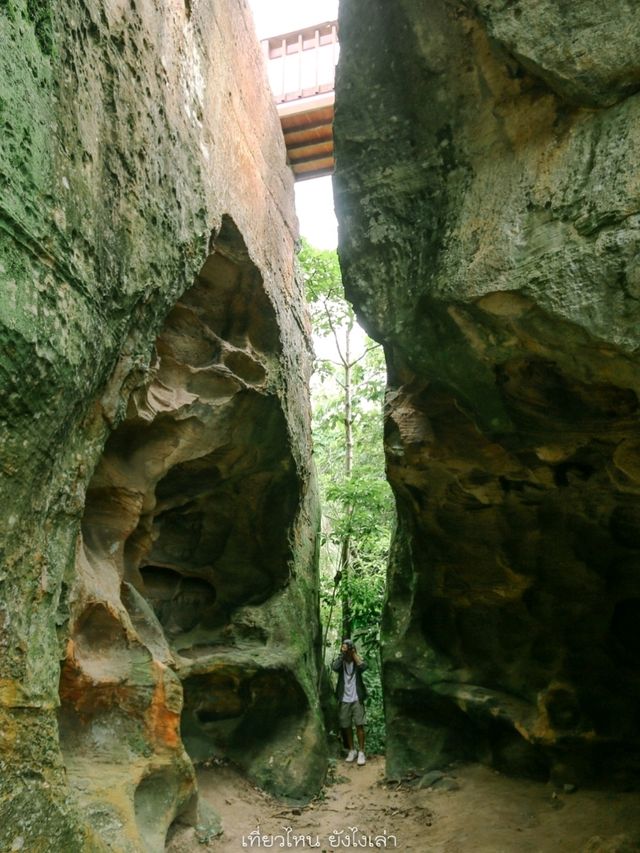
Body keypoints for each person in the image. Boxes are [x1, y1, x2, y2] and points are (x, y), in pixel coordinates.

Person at [331, 638, 367, 765]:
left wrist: (353, 654)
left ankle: (361, 752)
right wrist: (343, 655)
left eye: (346, 648)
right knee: (346, 726)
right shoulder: (341, 664)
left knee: (359, 725)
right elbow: (334, 667)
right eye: (343, 648)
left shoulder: (357, 662)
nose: (345, 650)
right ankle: (352, 750)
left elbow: (363, 667)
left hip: (357, 698)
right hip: (344, 699)